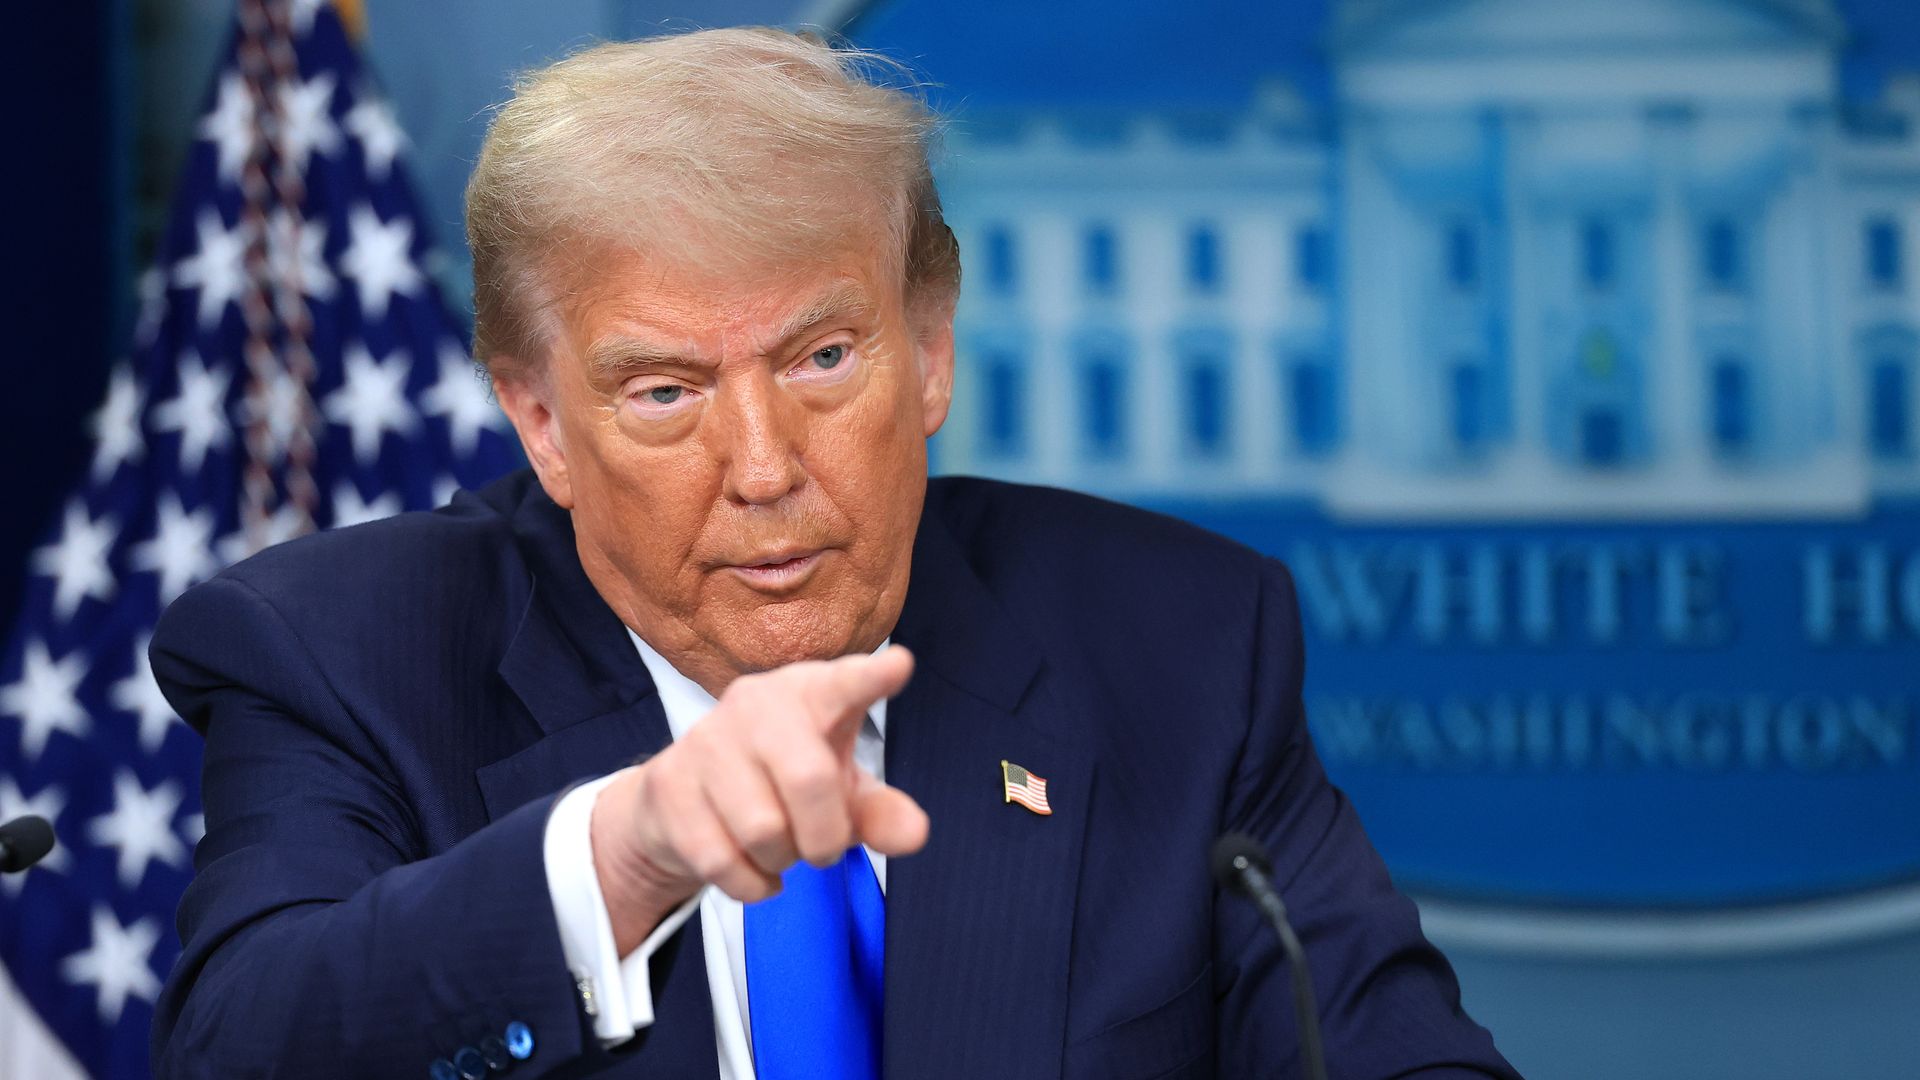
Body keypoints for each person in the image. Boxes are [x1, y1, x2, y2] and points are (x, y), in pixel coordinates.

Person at [150, 27, 1518, 1080]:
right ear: (540, 421)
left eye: (820, 357)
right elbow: (243, 1044)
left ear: (930, 349)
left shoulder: (1181, 643)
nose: (761, 467)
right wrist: (631, 852)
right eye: (665, 393)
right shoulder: (338, 653)